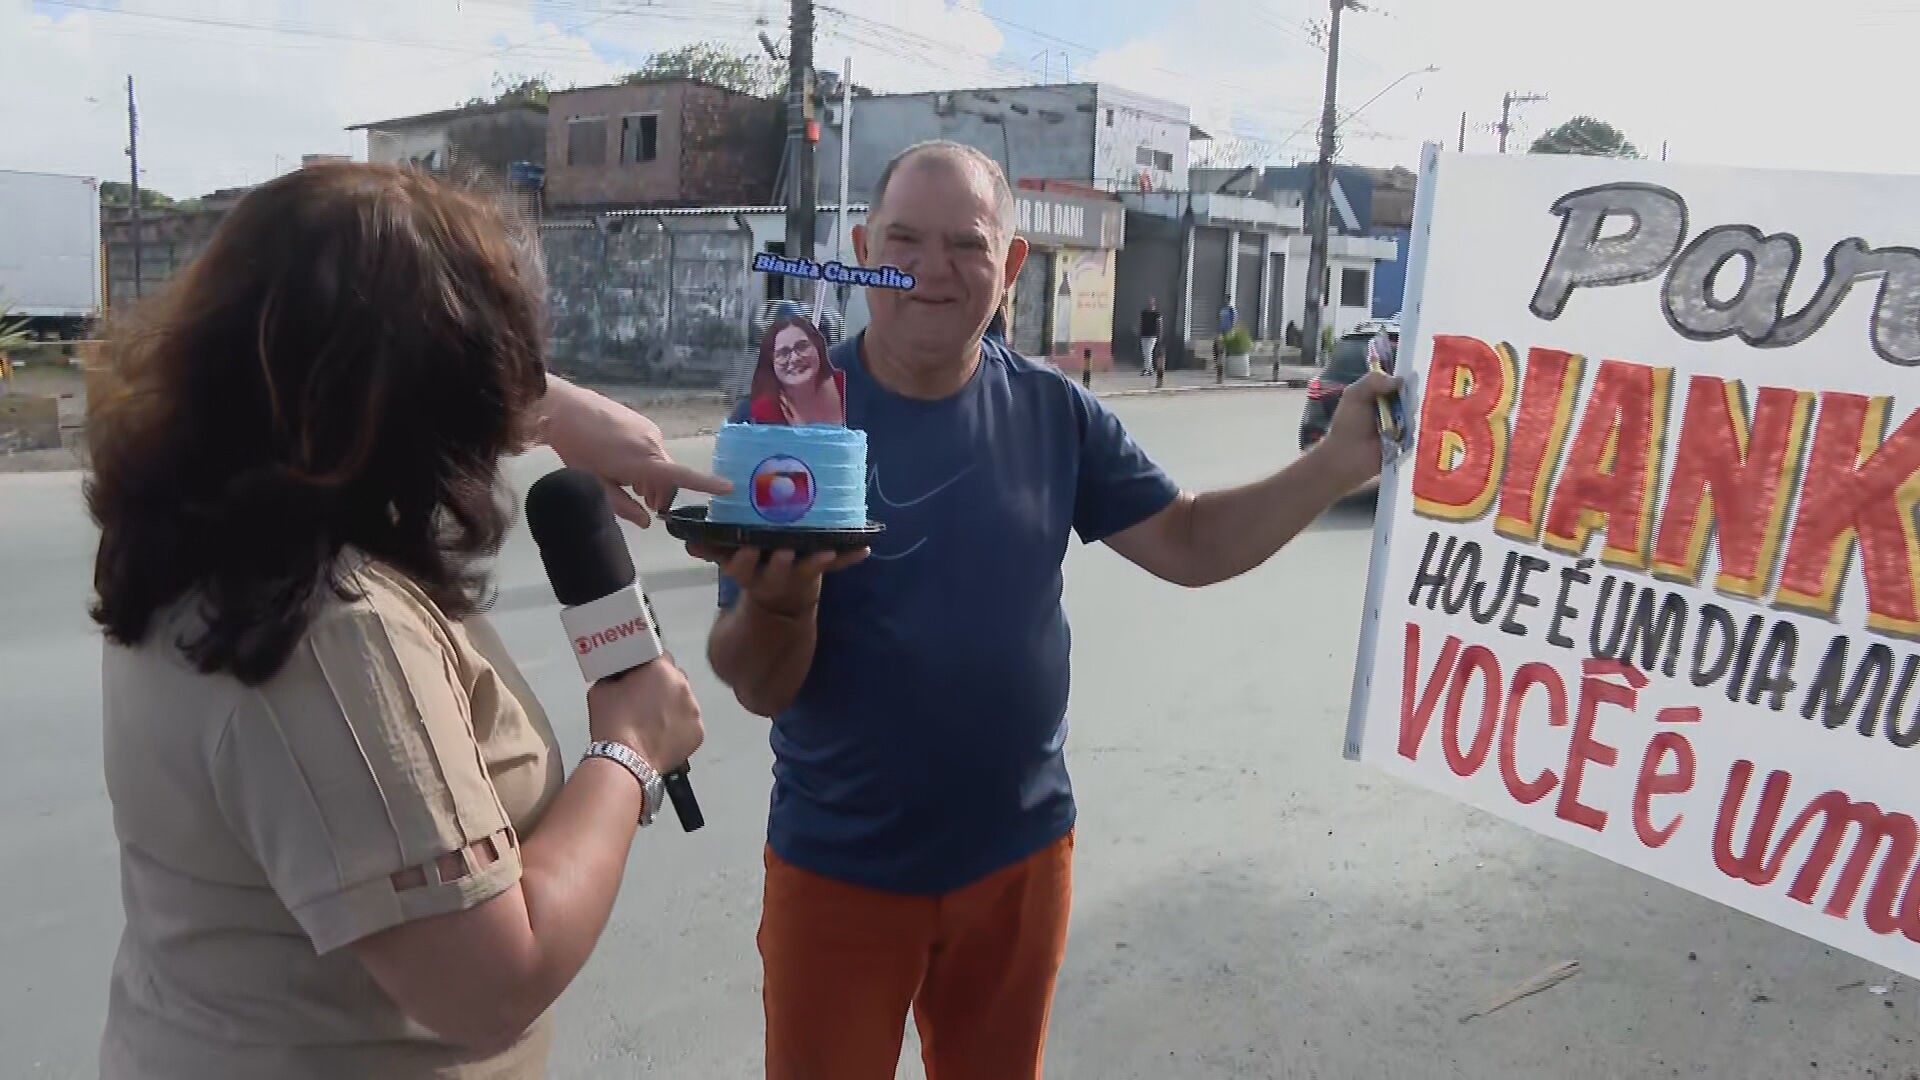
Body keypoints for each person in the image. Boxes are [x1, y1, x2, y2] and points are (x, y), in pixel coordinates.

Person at [687, 140, 1397, 1080]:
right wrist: (783, 608)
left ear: (1011, 266)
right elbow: (757, 682)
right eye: (903, 238)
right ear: (862, 248)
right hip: (837, 873)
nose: (932, 270)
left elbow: (1188, 541)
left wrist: (1338, 464)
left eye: (967, 245)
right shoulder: (789, 422)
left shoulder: (1055, 413)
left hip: (1019, 863)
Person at [87, 162, 720, 1079]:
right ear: (426, 396)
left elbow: (329, 322)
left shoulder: (198, 517)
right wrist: (630, 749)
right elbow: (494, 983)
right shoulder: (330, 625)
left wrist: (552, 408)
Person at [749, 315, 844, 425]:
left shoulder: (849, 384)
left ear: (818, 347)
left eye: (802, 347)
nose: (794, 358)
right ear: (771, 363)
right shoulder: (764, 410)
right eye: (783, 353)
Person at [1138, 296, 1162, 376]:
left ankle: (1147, 369)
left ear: (1154, 304)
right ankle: (1149, 369)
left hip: (1152, 336)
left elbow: (1160, 325)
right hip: (1144, 335)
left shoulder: (1157, 314)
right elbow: (1141, 323)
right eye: (1149, 303)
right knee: (1145, 353)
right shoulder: (1144, 313)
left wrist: (1159, 336)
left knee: (1148, 352)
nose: (1150, 305)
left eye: (1151, 303)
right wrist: (1139, 332)